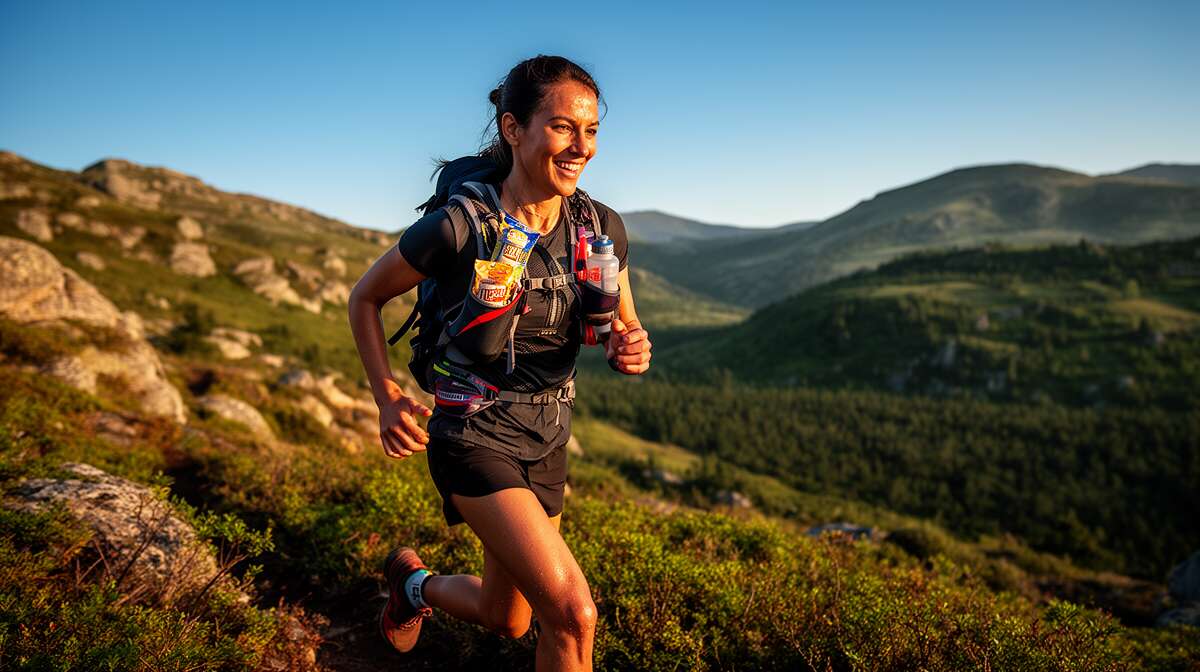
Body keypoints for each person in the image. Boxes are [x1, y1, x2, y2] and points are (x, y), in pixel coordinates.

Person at [347, 55, 652, 671]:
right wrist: (387, 397)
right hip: (473, 430)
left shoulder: (601, 228)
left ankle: (411, 586)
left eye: (591, 131)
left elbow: (629, 324)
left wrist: (633, 345)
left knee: (507, 617)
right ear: (513, 129)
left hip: (548, 433)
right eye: (563, 127)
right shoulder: (461, 226)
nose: (581, 147)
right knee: (571, 615)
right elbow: (366, 297)